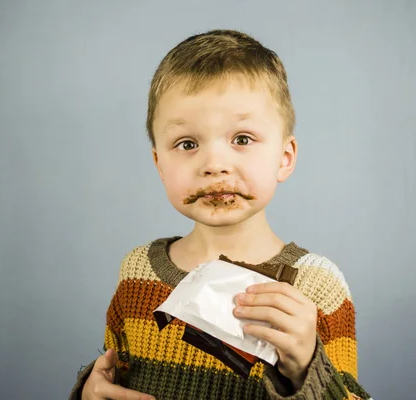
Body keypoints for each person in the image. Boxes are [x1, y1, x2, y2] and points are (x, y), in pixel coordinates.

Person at [69, 29, 372, 400]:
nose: (214, 164)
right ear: (160, 164)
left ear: (284, 157)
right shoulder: (137, 274)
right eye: (187, 144)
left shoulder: (317, 288)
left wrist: (307, 364)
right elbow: (111, 376)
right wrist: (89, 393)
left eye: (242, 139)